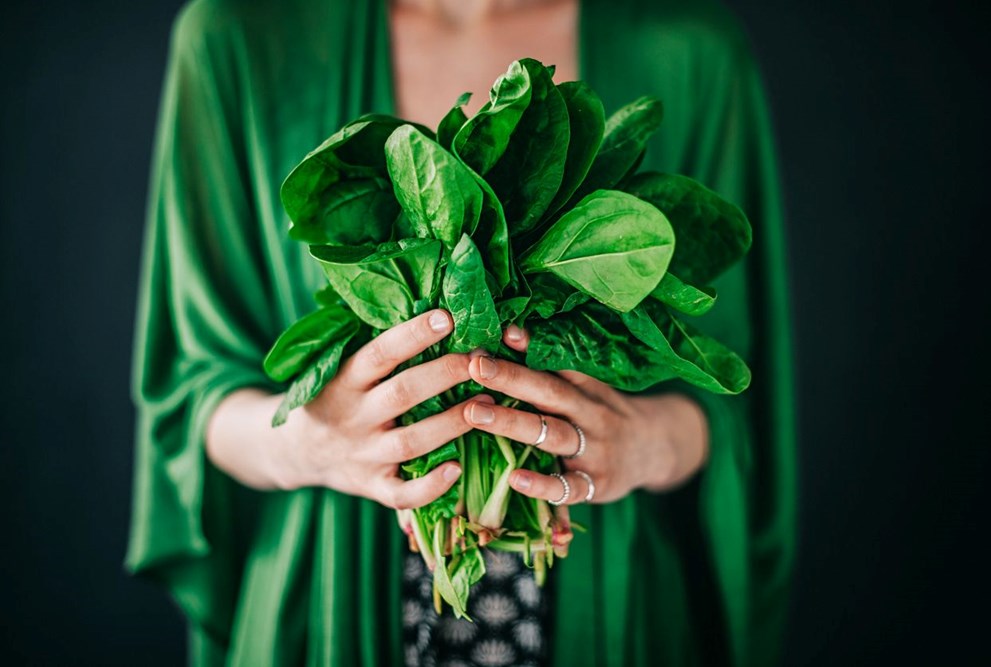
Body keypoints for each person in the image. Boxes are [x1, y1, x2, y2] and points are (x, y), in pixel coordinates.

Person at [126, 0, 796, 665]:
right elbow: (193, 392)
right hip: (326, 608)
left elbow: (733, 392)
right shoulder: (236, 37)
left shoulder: (691, 50)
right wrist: (311, 443)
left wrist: (644, 443)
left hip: (616, 608)